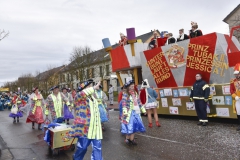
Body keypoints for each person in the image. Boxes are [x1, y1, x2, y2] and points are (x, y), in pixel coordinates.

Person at [68, 80, 103, 160]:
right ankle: (76, 158)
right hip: (85, 129)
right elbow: (82, 94)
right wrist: (94, 88)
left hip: (95, 128)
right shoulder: (78, 97)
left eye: (91, 86)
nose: (91, 87)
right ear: (84, 88)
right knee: (82, 148)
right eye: (89, 86)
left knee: (97, 148)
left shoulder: (93, 97)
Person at [121, 80, 146, 145]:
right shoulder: (126, 94)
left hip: (135, 112)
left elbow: (139, 102)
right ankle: (127, 139)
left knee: (134, 127)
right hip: (129, 113)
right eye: (131, 86)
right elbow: (124, 104)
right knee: (129, 126)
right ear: (128, 87)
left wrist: (143, 110)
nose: (132, 87)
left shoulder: (135, 93)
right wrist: (125, 112)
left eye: (133, 86)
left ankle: (131, 139)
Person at [230, 63, 240, 131]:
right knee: (239, 112)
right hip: (238, 99)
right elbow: (231, 90)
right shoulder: (233, 81)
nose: (236, 75)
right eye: (235, 74)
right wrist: (235, 96)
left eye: (238, 73)